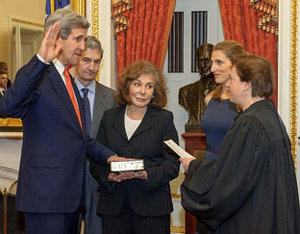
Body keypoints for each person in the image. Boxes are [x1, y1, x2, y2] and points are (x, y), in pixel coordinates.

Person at [0, 9, 124, 234]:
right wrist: (40, 60)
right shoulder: (38, 76)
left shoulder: (70, 82)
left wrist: (111, 157)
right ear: (58, 39)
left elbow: (79, 138)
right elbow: (9, 107)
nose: (82, 46)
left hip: (69, 198)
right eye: (78, 39)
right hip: (45, 198)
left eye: (84, 39)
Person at [180, 55, 300, 234]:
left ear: (247, 85)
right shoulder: (269, 116)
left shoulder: (249, 124)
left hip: (251, 220)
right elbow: (238, 169)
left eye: (232, 79)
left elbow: (228, 184)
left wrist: (194, 168)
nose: (227, 85)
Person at [90, 60, 180, 234]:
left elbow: (172, 164)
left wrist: (146, 174)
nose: (142, 92)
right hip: (114, 206)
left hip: (152, 207)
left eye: (149, 86)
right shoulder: (109, 117)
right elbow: (96, 160)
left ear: (155, 92)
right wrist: (108, 176)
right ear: (127, 87)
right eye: (137, 84)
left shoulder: (164, 119)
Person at [194, 40, 246, 234]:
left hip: (233, 175)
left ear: (235, 64)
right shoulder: (210, 98)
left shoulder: (244, 101)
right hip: (208, 174)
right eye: (212, 62)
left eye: (219, 63)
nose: (212, 68)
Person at [74, 36, 116, 234]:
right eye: (86, 60)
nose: (91, 66)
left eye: (96, 61)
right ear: (76, 59)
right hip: (67, 179)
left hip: (99, 181)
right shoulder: (61, 93)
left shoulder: (112, 98)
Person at [179, 43, 216, 132]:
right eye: (200, 61)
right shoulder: (185, 92)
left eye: (207, 60)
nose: (203, 65)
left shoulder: (226, 92)